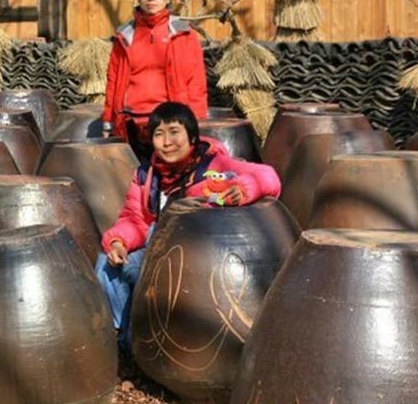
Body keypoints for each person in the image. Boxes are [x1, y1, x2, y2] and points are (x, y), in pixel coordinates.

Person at [96, 102, 280, 352]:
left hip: (194, 258)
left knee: (145, 272)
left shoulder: (214, 165)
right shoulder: (146, 174)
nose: (167, 142)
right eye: (159, 134)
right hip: (158, 247)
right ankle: (126, 339)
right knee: (106, 264)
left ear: (192, 136)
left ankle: (142, 340)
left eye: (174, 132)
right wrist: (119, 241)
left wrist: (243, 189)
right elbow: (135, 218)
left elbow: (268, 176)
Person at [102, 0, 208, 143]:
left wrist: (196, 121)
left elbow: (197, 83)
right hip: (130, 123)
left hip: (171, 122)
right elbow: (112, 82)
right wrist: (108, 122)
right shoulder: (124, 35)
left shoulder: (184, 33)